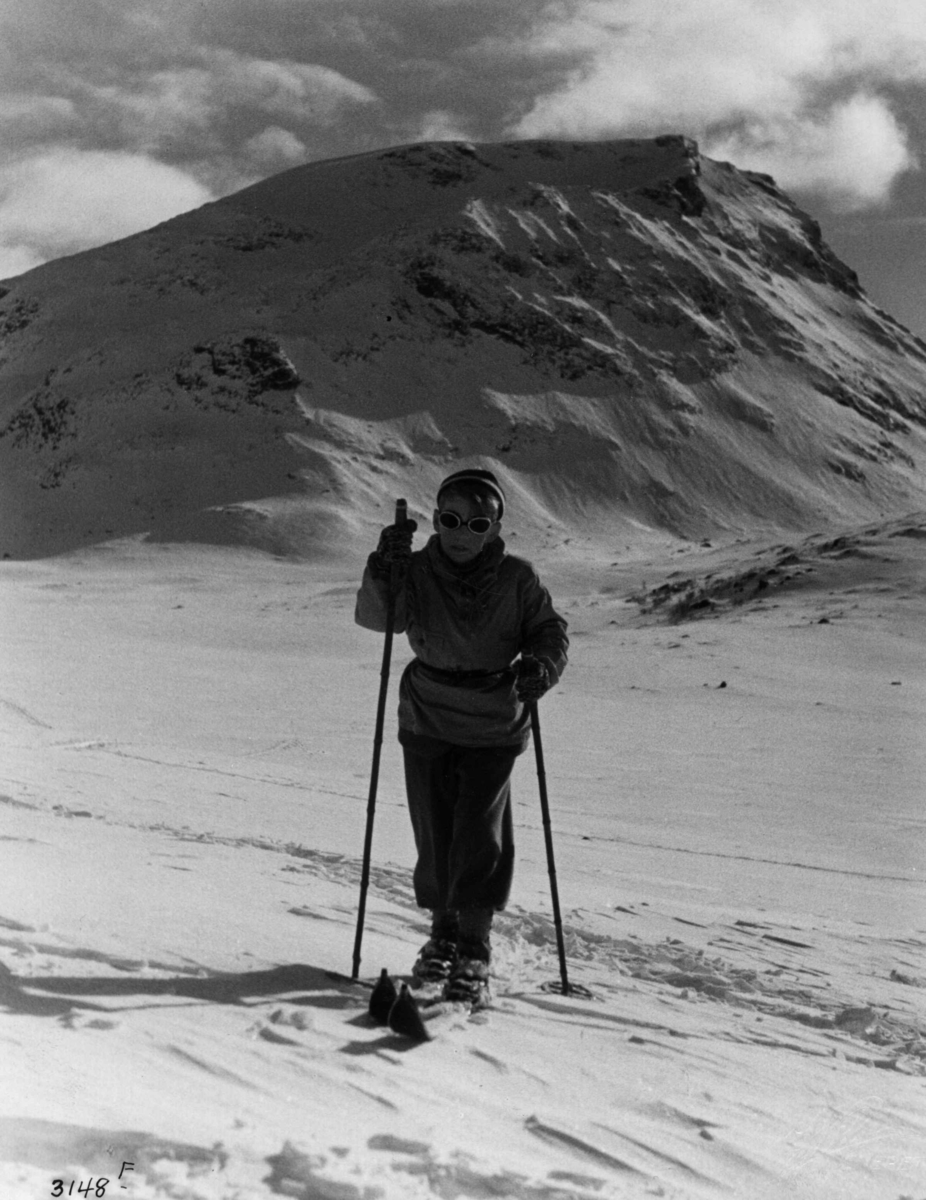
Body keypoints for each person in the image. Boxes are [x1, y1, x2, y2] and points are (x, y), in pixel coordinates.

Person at [354, 468, 568, 1007]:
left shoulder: (518, 579)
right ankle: (442, 936)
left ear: (495, 528)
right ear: (436, 519)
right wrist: (385, 568)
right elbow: (381, 620)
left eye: (476, 523)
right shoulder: (415, 569)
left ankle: (474, 945)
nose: (460, 532)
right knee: (435, 831)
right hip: (427, 712)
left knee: (480, 833)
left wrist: (541, 664)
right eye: (450, 519)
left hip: (494, 717)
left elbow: (548, 630)